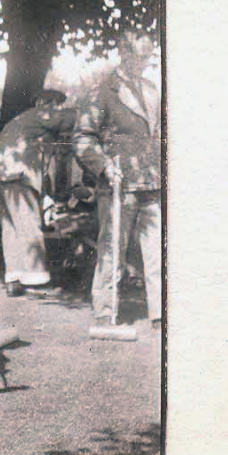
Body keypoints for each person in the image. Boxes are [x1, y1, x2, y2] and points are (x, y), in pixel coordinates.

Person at [73, 28, 162, 329]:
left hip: (152, 183)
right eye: (142, 57)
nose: (147, 63)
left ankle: (160, 314)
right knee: (112, 249)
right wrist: (103, 166)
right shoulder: (102, 92)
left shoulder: (152, 90)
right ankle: (105, 311)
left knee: (157, 253)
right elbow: (83, 138)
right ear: (125, 54)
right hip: (118, 186)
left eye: (150, 57)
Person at [0, 90, 76, 297]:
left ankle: (14, 278)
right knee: (28, 225)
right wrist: (98, 112)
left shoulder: (25, 123)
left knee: (11, 228)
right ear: (45, 103)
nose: (58, 109)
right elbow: (72, 118)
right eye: (56, 104)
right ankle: (36, 282)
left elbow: (44, 167)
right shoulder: (40, 115)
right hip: (14, 174)